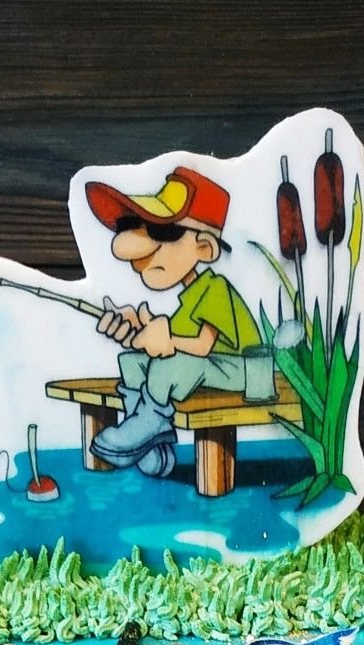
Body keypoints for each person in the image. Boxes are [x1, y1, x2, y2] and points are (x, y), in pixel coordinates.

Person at [84, 166, 262, 477]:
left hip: (245, 370)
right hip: (213, 367)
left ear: (204, 248)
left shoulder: (215, 289)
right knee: (133, 361)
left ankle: (150, 422)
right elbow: (172, 339)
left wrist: (166, 340)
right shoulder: (189, 297)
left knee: (169, 367)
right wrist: (141, 327)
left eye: (162, 232)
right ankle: (147, 437)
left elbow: (203, 346)